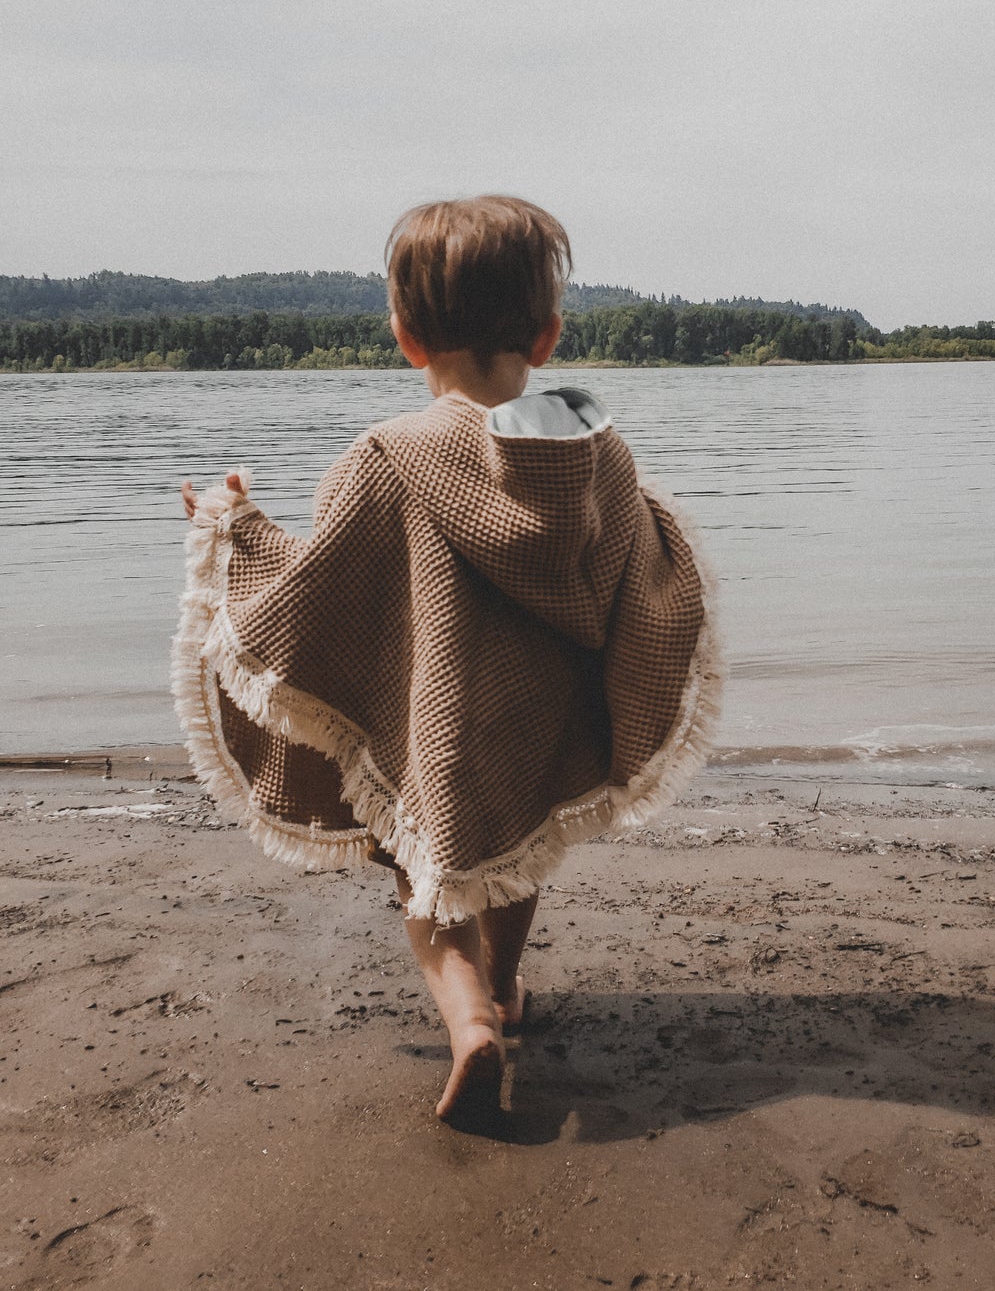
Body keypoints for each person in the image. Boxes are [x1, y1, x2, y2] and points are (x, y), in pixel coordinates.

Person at [175, 196, 720, 1128]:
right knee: (517, 851)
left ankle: (469, 1017)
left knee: (419, 862)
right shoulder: (602, 455)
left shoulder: (386, 457)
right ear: (545, 336)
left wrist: (238, 532)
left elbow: (321, 591)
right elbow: (642, 574)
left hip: (438, 715)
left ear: (404, 337)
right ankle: (508, 988)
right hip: (540, 720)